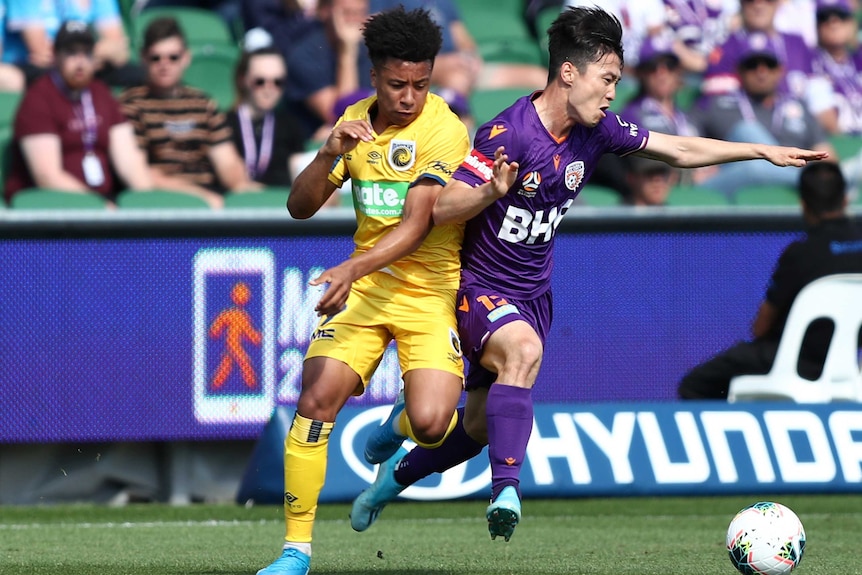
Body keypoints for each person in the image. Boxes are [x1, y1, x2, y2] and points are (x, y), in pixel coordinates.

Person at [350, 5, 826, 544]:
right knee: (522, 353)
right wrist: (489, 192)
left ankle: (392, 478)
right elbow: (442, 207)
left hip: (533, 294)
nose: (611, 93)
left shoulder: (597, 131)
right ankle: (506, 491)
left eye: (617, 81)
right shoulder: (508, 133)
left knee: (480, 426)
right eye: (607, 79)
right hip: (479, 289)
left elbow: (679, 147)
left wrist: (760, 150)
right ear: (569, 73)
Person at [256, 6, 471, 575]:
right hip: (369, 289)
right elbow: (299, 208)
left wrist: (351, 268)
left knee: (431, 425)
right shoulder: (353, 123)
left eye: (420, 85)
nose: (409, 97)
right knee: (315, 399)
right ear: (373, 76)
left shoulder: (445, 129)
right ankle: (295, 551)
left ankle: (392, 427)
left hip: (428, 293)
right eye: (397, 84)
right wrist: (328, 153)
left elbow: (417, 224)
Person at [678, 161, 862, 399]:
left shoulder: (800, 253)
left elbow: (761, 327)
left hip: (796, 359)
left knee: (695, 385)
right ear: (845, 200)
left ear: (804, 206)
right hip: (850, 360)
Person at [4, 21, 151, 206]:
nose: (80, 62)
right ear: (56, 56)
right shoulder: (38, 98)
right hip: (49, 209)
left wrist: (147, 204)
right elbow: (47, 176)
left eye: (86, 53)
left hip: (102, 205)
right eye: (71, 53)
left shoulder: (101, 93)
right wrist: (99, 207)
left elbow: (130, 162)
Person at [118, 17, 259, 209]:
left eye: (173, 57)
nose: (164, 64)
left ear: (186, 57)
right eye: (156, 58)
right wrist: (199, 197)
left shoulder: (203, 103)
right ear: (143, 58)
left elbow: (227, 162)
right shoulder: (130, 104)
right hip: (158, 202)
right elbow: (141, 173)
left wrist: (241, 188)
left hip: (210, 197)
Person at [692, 32, 835, 198]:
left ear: (780, 70)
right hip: (730, 182)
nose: (761, 71)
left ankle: (821, 184)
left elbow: (826, 155)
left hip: (790, 191)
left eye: (769, 64)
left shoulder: (798, 106)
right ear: (739, 70)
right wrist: (699, 169)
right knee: (748, 137)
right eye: (752, 65)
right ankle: (821, 186)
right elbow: (685, 138)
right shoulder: (717, 104)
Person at [3, 0, 142, 87]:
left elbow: (119, 50)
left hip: (86, 64)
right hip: (35, 68)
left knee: (137, 74)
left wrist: (81, 57)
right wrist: (91, 55)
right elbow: (43, 53)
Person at [226, 39, 306, 187]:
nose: (269, 89)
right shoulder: (224, 124)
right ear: (244, 80)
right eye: (260, 81)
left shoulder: (290, 126)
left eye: (278, 82)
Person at [810, 0, 862, 135]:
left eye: (841, 16)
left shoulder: (858, 59)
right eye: (825, 18)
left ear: (852, 23)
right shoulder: (810, 62)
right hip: (841, 144)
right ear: (817, 26)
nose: (834, 24)